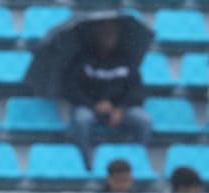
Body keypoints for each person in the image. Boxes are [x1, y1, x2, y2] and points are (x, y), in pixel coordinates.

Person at [63, 18, 152, 167]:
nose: (108, 36)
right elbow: (72, 89)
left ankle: (138, 163)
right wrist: (93, 105)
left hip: (120, 109)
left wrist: (120, 109)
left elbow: (136, 91)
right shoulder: (82, 59)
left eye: (112, 33)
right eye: (104, 32)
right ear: (96, 34)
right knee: (81, 120)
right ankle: (87, 164)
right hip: (89, 108)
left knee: (143, 120)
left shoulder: (126, 60)